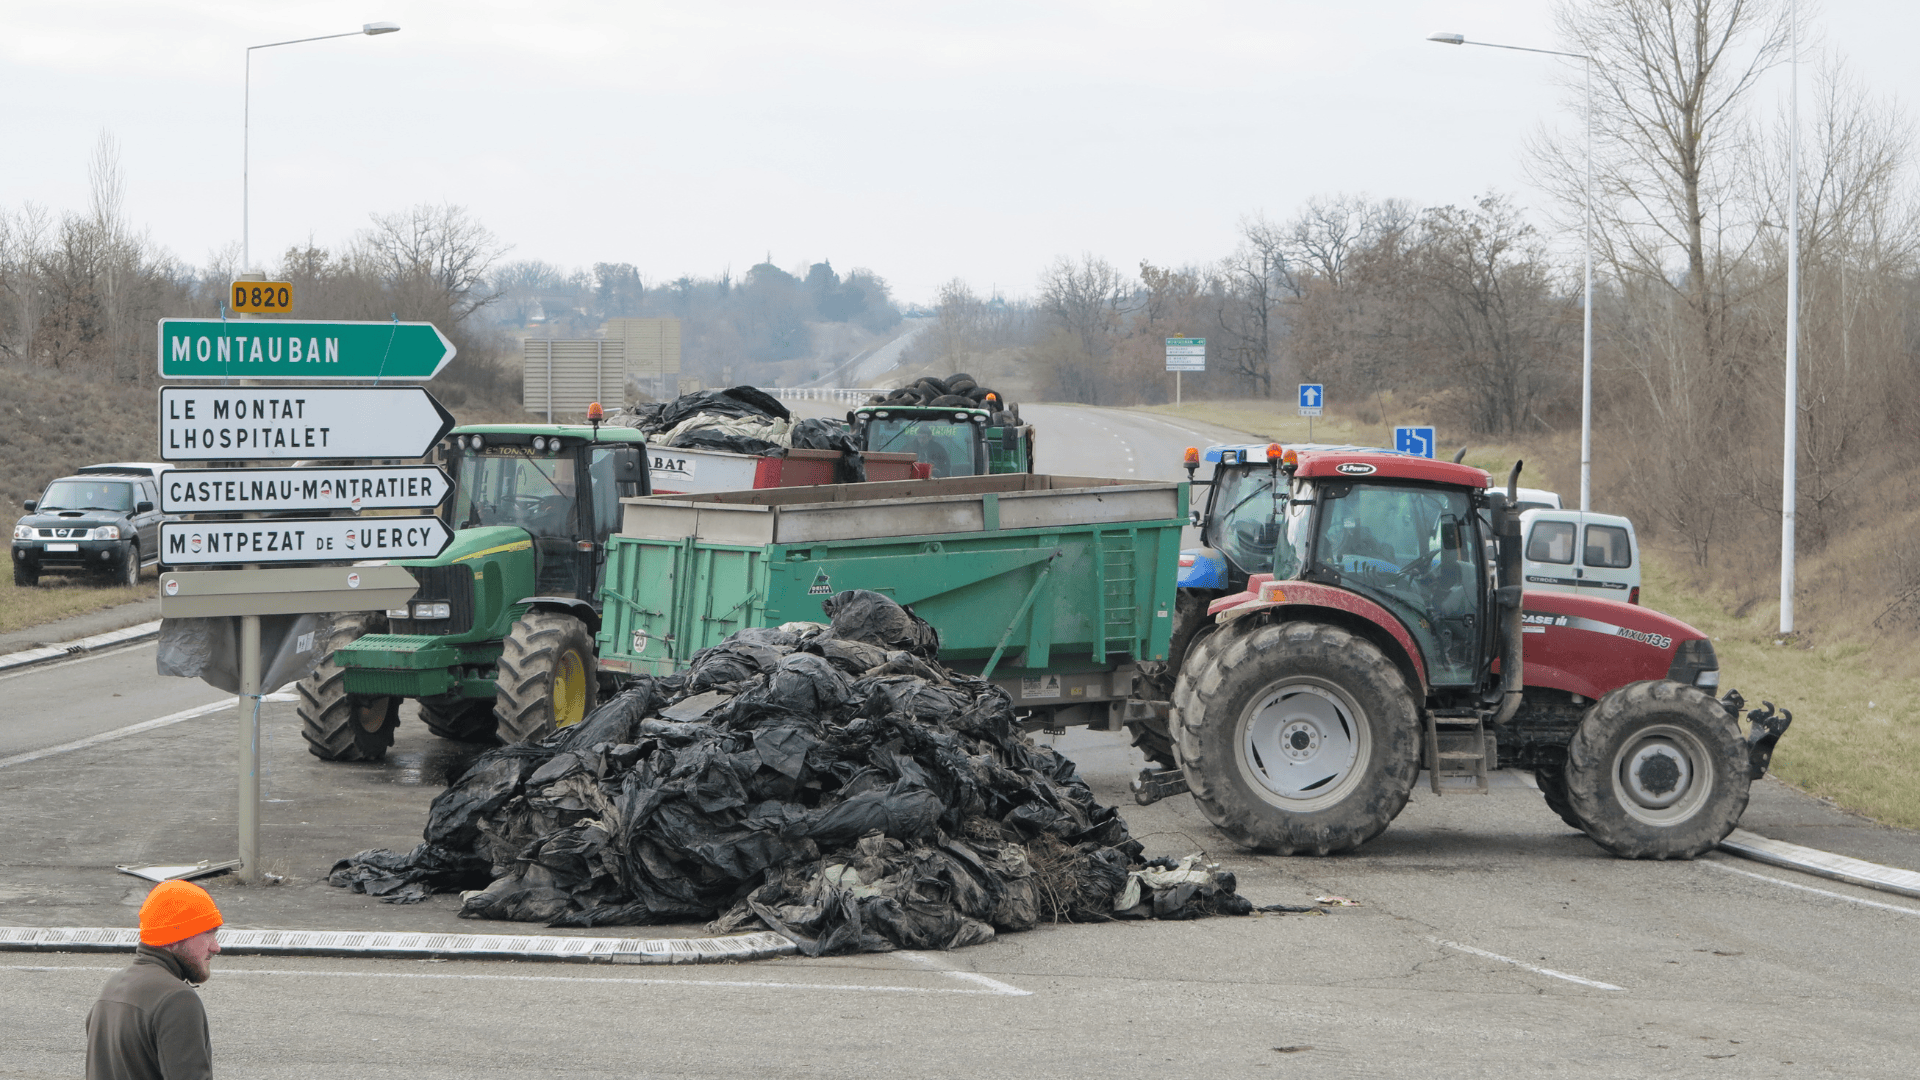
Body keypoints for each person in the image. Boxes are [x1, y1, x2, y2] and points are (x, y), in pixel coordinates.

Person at [86, 879, 223, 1079]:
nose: (216, 947)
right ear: (176, 934)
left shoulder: (111, 988)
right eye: (208, 933)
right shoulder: (177, 999)